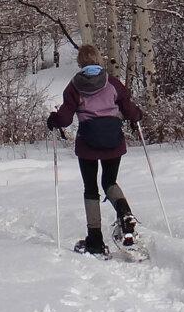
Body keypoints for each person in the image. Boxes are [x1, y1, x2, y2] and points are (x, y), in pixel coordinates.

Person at [46, 43, 142, 256]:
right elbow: (129, 110)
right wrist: (137, 115)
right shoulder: (112, 83)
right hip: (113, 140)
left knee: (90, 188)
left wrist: (53, 119)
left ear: (80, 62)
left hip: (88, 143)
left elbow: (64, 119)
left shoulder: (74, 86)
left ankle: (95, 240)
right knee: (109, 181)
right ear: (99, 59)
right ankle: (125, 213)